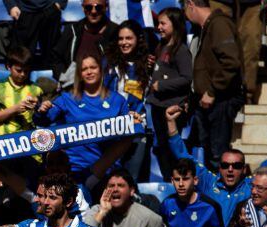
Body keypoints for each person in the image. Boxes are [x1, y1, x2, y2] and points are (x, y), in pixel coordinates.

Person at [166, 105, 267, 226]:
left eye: (236, 166)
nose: (230, 169)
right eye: (225, 165)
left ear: (244, 169)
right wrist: (171, 124)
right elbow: (183, 156)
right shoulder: (209, 182)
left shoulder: (251, 186)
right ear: (219, 168)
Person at [37, 54, 132, 190]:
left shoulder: (117, 100)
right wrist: (42, 110)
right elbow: (44, 120)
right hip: (73, 170)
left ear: (101, 70)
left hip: (106, 171)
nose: (89, 72)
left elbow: (129, 133)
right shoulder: (67, 98)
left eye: (93, 67)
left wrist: (133, 118)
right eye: (84, 69)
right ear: (79, 74)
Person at [184, 0, 243, 170]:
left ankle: (222, 195)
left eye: (184, 8)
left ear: (191, 4)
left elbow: (231, 63)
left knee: (218, 155)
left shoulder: (219, 25)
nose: (185, 14)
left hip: (221, 100)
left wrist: (212, 91)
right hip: (208, 102)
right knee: (209, 154)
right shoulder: (207, 28)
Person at [83, 169, 174, 227]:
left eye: (120, 185)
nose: (115, 189)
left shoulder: (147, 217)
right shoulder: (96, 211)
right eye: (111, 186)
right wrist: (102, 212)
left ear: (131, 191)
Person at [147, 7, 192, 181]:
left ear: (175, 25)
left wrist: (162, 85)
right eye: (158, 23)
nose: (159, 27)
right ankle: (168, 180)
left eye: (163, 23)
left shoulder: (180, 50)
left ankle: (176, 178)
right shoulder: (162, 46)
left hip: (171, 108)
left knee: (170, 146)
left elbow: (187, 78)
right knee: (161, 146)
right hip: (157, 106)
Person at [103, 20, 149, 179]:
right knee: (110, 178)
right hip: (113, 130)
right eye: (121, 38)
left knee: (131, 179)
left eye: (129, 38)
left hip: (136, 129)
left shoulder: (147, 64)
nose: (124, 42)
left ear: (138, 40)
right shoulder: (108, 64)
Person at [51, 0, 118, 87]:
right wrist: (64, 77)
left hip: (107, 90)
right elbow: (56, 59)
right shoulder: (72, 31)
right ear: (83, 8)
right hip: (75, 89)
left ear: (106, 8)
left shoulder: (116, 33)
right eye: (89, 7)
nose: (94, 11)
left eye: (98, 7)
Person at [209, 0, 262, 104]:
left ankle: (246, 93)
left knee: (251, 45)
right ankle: (220, 91)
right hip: (220, 2)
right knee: (222, 42)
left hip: (251, 4)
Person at [0, 47, 44, 137]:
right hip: (5, 140)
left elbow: (42, 119)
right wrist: (15, 109)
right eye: (18, 70)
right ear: (8, 67)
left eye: (26, 71)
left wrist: (39, 108)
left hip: (30, 139)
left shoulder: (36, 89)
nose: (22, 74)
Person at [5, 0, 64, 70]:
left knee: (52, 57)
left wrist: (60, 2)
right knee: (21, 58)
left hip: (50, 9)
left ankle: (51, 79)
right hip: (25, 11)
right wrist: (11, 5)